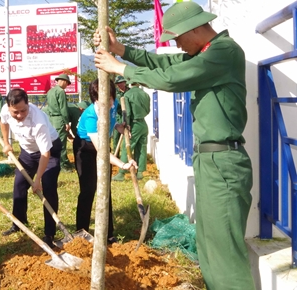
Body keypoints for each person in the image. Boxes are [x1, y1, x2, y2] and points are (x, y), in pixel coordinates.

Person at [93, 1, 255, 289]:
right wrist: (122, 51)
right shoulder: (205, 53)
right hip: (209, 160)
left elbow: (171, 77)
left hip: (223, 161)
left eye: (178, 37)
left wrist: (121, 69)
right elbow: (166, 63)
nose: (177, 44)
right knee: (209, 246)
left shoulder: (223, 51)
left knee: (225, 252)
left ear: (195, 28)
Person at [75, 79, 136, 244]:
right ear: (95, 99)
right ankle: (81, 233)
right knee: (88, 190)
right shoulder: (90, 116)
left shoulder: (114, 102)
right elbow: (101, 150)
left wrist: (118, 127)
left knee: (105, 190)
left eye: (109, 100)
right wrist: (122, 164)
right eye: (102, 102)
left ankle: (109, 234)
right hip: (85, 148)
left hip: (102, 142)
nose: (107, 105)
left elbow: (112, 119)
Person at [0, 88, 62, 248]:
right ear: (9, 107)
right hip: (27, 151)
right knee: (19, 184)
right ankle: (19, 222)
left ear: (28, 104)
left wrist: (38, 179)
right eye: (16, 112)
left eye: (23, 110)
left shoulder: (38, 121)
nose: (19, 115)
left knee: (48, 188)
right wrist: (6, 143)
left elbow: (45, 154)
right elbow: (3, 122)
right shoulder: (6, 110)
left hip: (49, 151)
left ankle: (49, 234)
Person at [122, 82, 150, 180]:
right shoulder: (145, 94)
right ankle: (141, 172)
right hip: (143, 123)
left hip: (134, 124)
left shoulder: (127, 95)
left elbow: (127, 113)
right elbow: (148, 110)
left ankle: (121, 172)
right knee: (142, 148)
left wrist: (126, 125)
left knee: (126, 147)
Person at [46, 73, 71, 171]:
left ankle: (55, 161)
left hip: (51, 119)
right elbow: (63, 108)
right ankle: (63, 164)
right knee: (61, 143)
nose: (66, 86)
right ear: (64, 81)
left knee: (52, 142)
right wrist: (66, 122)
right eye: (67, 84)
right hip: (59, 119)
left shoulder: (50, 91)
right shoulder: (61, 92)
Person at [111, 76, 129, 181]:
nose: (120, 85)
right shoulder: (116, 95)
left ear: (125, 83)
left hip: (127, 119)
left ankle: (126, 159)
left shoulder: (129, 93)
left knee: (126, 142)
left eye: (121, 83)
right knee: (116, 139)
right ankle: (115, 158)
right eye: (118, 84)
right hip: (118, 119)